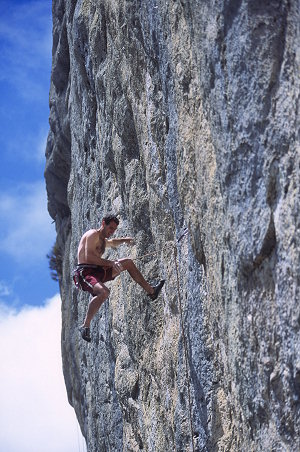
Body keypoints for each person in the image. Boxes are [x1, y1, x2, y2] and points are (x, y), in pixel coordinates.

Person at [73, 214, 165, 342]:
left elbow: (111, 243)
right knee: (104, 292)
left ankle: (151, 291)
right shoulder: (92, 234)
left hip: (97, 271)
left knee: (128, 263)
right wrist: (111, 263)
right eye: (110, 228)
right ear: (103, 223)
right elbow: (89, 258)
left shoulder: (102, 240)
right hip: (85, 272)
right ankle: (85, 325)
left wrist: (124, 240)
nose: (112, 231)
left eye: (114, 229)